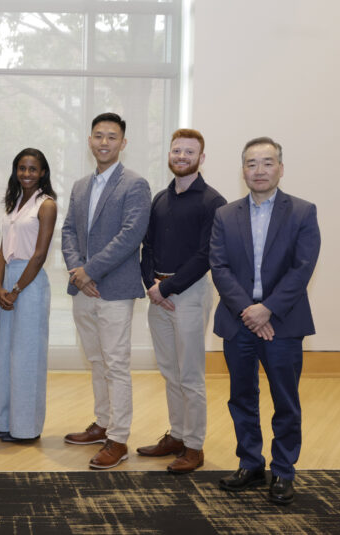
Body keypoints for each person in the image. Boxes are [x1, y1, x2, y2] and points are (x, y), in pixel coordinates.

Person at [210, 137, 320, 504]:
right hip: (237, 320)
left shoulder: (303, 212)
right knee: (241, 398)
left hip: (283, 323)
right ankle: (251, 463)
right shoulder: (225, 215)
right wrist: (249, 310)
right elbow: (220, 267)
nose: (259, 170)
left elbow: (302, 269)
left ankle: (284, 472)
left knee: (285, 400)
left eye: (267, 162)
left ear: (281, 168)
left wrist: (267, 309)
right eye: (251, 163)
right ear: (243, 170)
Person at [61, 112, 151, 469]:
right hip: (82, 289)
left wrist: (90, 270)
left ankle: (119, 438)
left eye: (112, 137)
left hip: (114, 288)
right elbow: (68, 230)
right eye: (98, 136)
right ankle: (101, 424)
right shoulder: (81, 185)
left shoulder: (135, 184)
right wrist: (76, 272)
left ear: (123, 143)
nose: (104, 142)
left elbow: (131, 236)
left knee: (115, 363)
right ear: (89, 141)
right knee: (96, 360)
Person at [137, 129, 226, 473]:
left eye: (190, 152)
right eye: (177, 150)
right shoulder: (161, 198)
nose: (182, 156)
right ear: (170, 154)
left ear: (201, 158)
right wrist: (151, 285)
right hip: (157, 295)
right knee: (170, 372)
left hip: (188, 293)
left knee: (190, 375)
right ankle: (176, 435)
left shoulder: (212, 202)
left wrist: (168, 287)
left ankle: (194, 446)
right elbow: (148, 247)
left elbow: (206, 255)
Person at [0, 148, 57, 443]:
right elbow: (3, 249)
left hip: (29, 285)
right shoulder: (13, 202)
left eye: (33, 169)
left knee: (27, 357)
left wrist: (16, 289)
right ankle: (7, 423)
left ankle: (27, 428)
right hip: (8, 283)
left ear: (42, 172)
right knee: (7, 355)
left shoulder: (46, 205)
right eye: (22, 168)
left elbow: (40, 254)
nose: (27, 174)